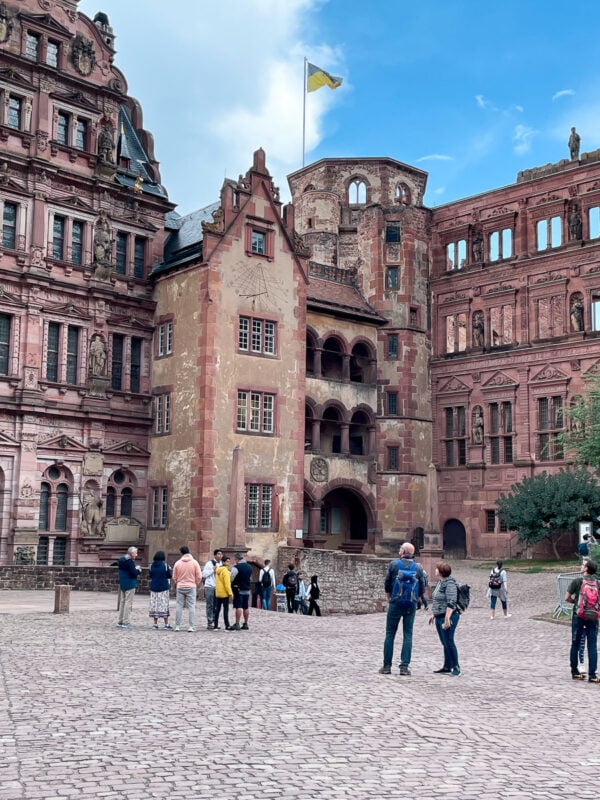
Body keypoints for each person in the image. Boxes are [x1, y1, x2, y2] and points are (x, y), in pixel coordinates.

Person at [379, 542, 427, 676]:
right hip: (410, 603)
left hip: (395, 602)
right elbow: (422, 587)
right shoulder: (417, 567)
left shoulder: (394, 564)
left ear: (403, 552)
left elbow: (387, 583)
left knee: (390, 634)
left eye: (400, 548)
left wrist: (389, 596)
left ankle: (387, 666)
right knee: (408, 634)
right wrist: (417, 598)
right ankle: (404, 667)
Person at [565, 559, 600, 682]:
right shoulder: (597, 583)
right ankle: (593, 675)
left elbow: (567, 597)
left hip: (578, 616)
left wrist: (577, 603)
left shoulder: (577, 581)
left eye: (583, 565)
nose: (581, 566)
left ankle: (575, 672)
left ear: (586, 569)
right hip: (593, 617)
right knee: (592, 645)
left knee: (575, 643)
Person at [429, 561, 462, 676]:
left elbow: (451, 602)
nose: (435, 570)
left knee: (449, 641)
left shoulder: (450, 584)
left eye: (437, 569)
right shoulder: (441, 582)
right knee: (444, 642)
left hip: (448, 616)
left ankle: (456, 666)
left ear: (442, 571)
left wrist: (447, 618)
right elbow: (437, 599)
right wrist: (434, 614)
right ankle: (447, 666)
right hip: (439, 615)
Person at [172, 546, 202, 632]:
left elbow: (174, 576)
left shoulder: (178, 563)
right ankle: (191, 626)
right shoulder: (195, 563)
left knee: (179, 606)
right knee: (191, 606)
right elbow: (199, 576)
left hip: (180, 586)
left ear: (181, 553)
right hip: (191, 586)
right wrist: (195, 583)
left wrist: (177, 582)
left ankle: (177, 626)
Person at [116, 546, 141, 628]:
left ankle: (120, 620)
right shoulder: (129, 561)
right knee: (128, 603)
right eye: (135, 553)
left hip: (123, 583)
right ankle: (126, 621)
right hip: (130, 583)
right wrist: (138, 570)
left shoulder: (122, 559)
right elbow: (133, 573)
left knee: (122, 602)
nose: (136, 555)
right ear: (132, 553)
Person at [229, 552, 253, 631]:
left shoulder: (236, 567)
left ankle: (237, 623)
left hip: (238, 589)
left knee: (238, 606)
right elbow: (250, 578)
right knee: (246, 607)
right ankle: (245, 623)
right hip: (247, 588)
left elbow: (231, 578)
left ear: (236, 559)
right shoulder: (249, 567)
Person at [149, 550, 172, 629]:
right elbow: (169, 575)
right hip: (163, 587)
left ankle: (155, 623)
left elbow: (151, 575)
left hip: (154, 587)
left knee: (155, 606)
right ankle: (166, 624)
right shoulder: (165, 566)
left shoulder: (152, 565)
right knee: (164, 605)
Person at [202, 548, 222, 630]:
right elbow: (204, 574)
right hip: (209, 586)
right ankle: (210, 622)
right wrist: (212, 570)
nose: (220, 555)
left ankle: (215, 621)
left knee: (216, 605)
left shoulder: (221, 564)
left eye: (221, 554)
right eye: (218, 554)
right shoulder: (209, 564)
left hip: (218, 587)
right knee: (210, 605)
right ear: (215, 555)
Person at [214, 555, 233, 630]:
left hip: (218, 593)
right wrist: (230, 593)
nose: (228, 563)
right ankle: (227, 625)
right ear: (224, 562)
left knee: (217, 610)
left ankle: (215, 625)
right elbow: (227, 584)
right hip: (224, 593)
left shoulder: (218, 570)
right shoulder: (225, 571)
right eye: (227, 561)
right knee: (225, 610)